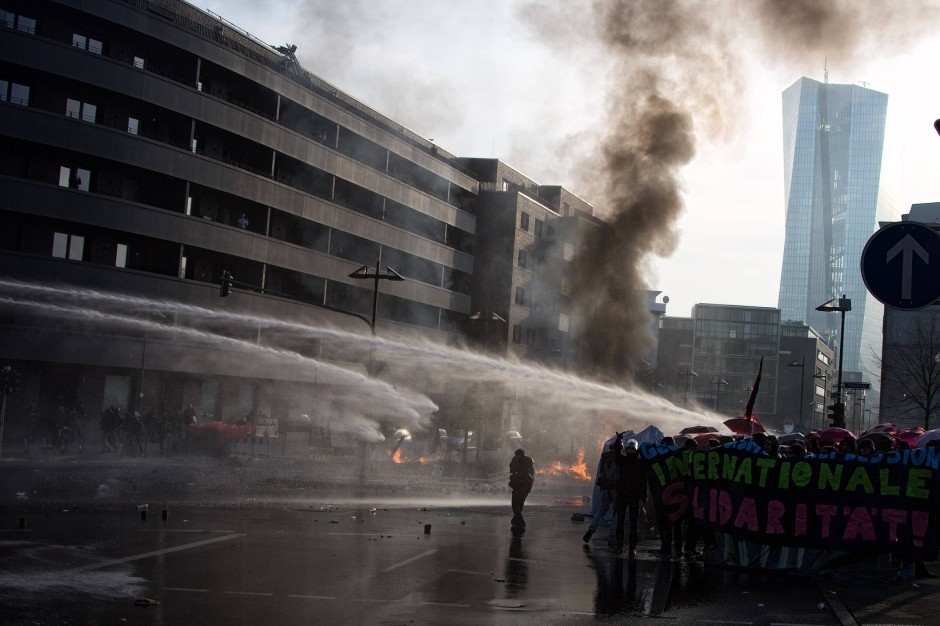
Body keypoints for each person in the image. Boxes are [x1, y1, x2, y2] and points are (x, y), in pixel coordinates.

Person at [583, 436, 620, 545]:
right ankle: (612, 536)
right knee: (616, 513)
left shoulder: (604, 458)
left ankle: (591, 528)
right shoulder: (619, 459)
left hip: (604, 490)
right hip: (615, 490)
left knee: (600, 511)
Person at [614, 437, 648, 556]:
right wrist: (618, 441)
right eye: (628, 448)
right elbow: (617, 454)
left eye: (632, 449)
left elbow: (644, 482)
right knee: (620, 522)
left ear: (636, 449)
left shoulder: (640, 464)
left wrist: (644, 497)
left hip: (634, 497)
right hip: (623, 495)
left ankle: (632, 547)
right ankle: (619, 545)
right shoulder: (622, 461)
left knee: (634, 524)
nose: (630, 450)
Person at [509, 448, 535, 528]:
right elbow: (532, 472)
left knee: (515, 502)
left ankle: (519, 520)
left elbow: (512, 470)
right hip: (528, 483)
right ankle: (516, 518)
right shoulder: (530, 460)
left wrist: (513, 478)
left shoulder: (516, 459)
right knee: (521, 501)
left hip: (519, 484)